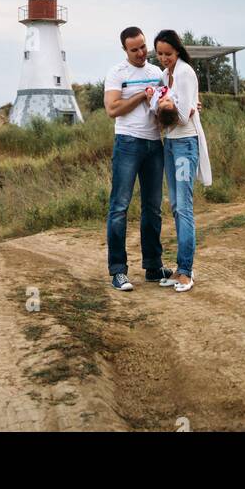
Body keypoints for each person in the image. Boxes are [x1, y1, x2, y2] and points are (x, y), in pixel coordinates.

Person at [103, 26, 174, 291]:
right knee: (119, 207)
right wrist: (139, 96)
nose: (141, 53)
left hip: (154, 143)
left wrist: (187, 106)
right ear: (125, 50)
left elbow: (166, 104)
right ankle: (118, 271)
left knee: (153, 208)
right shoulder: (117, 73)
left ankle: (154, 267)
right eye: (135, 49)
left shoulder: (156, 73)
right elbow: (112, 109)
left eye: (143, 47)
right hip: (128, 143)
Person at [149, 29, 212, 292]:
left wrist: (166, 105)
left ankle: (186, 270)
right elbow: (157, 110)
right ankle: (179, 268)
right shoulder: (165, 75)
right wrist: (161, 103)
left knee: (184, 206)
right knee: (174, 205)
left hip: (185, 143)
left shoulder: (185, 73)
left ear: (177, 51)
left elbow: (185, 117)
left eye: (168, 53)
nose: (163, 58)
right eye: (160, 54)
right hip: (170, 144)